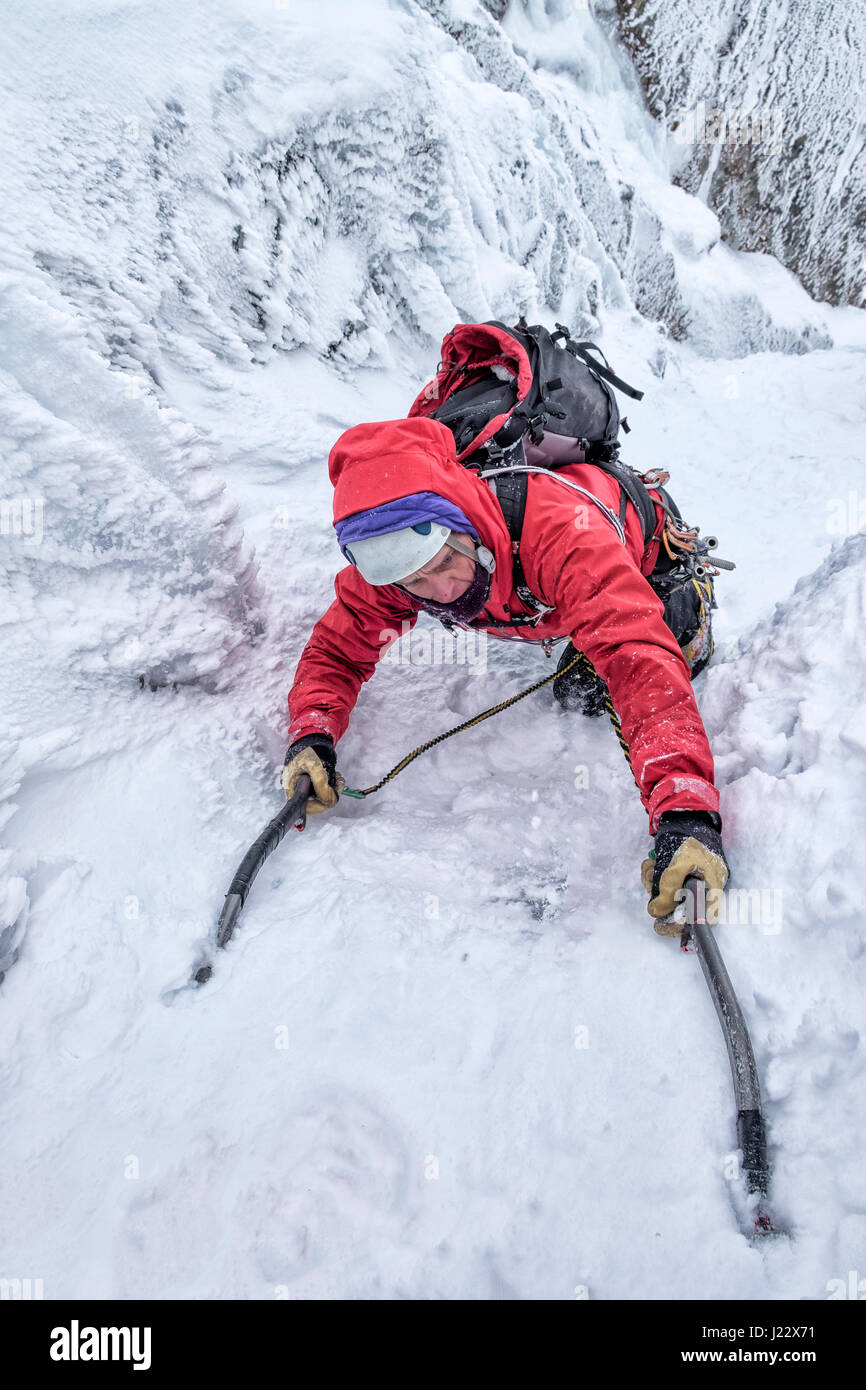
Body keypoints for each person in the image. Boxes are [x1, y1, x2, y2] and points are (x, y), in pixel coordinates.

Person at [282, 416, 729, 931]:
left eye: (445, 563)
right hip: (550, 595)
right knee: (586, 675)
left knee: (598, 684)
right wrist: (312, 733)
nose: (440, 591)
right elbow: (338, 649)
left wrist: (686, 814)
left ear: (465, 524)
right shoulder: (397, 557)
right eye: (415, 583)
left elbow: (638, 660)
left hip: (646, 555)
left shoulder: (560, 534)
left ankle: (690, 610)